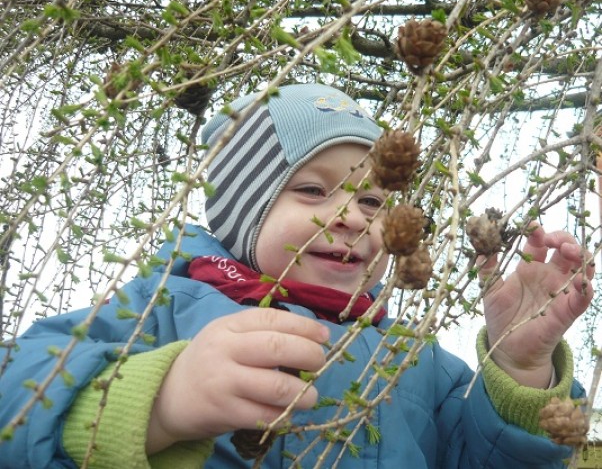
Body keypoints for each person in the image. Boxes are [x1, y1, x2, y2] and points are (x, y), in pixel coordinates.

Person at [0, 83, 594, 468]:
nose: (350, 218)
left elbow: (486, 458)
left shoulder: (415, 363)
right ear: (241, 215)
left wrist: (519, 366)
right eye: (312, 190)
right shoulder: (165, 307)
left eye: (373, 203)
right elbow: (17, 400)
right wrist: (156, 402)